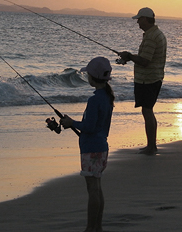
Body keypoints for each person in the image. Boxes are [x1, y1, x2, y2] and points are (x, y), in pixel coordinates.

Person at [60, 56, 114, 232]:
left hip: (91, 150)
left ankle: (91, 228)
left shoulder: (94, 100)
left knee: (92, 190)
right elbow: (99, 127)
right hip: (102, 148)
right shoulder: (107, 97)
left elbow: (89, 127)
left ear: (92, 77)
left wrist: (71, 123)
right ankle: (97, 227)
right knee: (97, 188)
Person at [118, 7, 167, 155]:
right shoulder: (155, 34)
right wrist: (131, 57)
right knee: (147, 110)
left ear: (145, 19)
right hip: (152, 78)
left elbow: (145, 61)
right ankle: (151, 145)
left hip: (148, 80)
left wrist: (129, 56)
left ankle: (151, 146)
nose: (137, 22)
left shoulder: (152, 37)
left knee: (147, 110)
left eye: (139, 19)